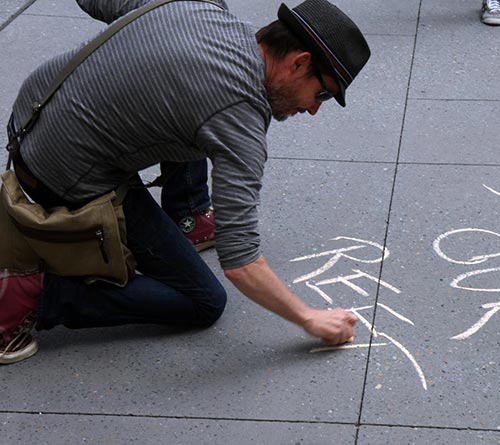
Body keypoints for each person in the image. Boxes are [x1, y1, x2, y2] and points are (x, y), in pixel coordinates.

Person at [0, 0, 370, 364]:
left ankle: (187, 215)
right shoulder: (238, 118)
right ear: (299, 62)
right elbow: (240, 260)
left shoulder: (200, 6)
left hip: (32, 111)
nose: (313, 108)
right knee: (202, 302)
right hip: (61, 172)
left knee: (189, 105)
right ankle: (31, 295)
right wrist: (310, 318)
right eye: (322, 93)